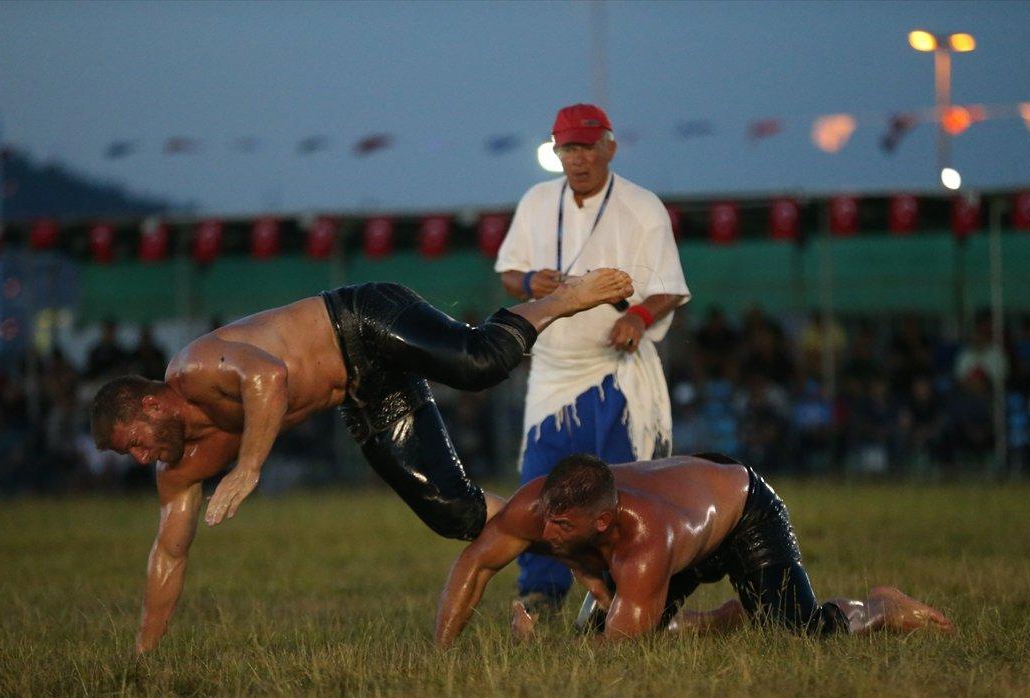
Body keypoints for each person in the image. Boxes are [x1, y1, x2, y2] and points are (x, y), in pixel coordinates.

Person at [90, 272, 633, 654]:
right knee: (455, 513)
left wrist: (247, 468)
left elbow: (268, 379)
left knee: (479, 362)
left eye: (132, 442)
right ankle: (582, 557)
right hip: (363, 392)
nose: (140, 457)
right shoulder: (179, 469)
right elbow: (169, 553)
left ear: (151, 403)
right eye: (129, 455)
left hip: (362, 318)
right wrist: (144, 654)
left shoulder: (192, 368)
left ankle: (565, 298)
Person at [434, 453, 954, 647]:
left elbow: (617, 653)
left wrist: (536, 650)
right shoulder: (542, 506)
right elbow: (474, 564)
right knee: (603, 620)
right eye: (545, 519)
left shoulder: (645, 545)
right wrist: (443, 653)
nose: (544, 533)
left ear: (603, 520)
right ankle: (724, 619)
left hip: (741, 509)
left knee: (796, 633)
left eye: (561, 526)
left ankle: (881, 607)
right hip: (689, 494)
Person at [495, 103, 690, 614]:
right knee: (540, 485)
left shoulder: (642, 206)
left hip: (615, 368)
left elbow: (669, 287)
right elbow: (509, 273)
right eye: (568, 148)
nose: (577, 158)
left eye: (586, 146)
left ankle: (626, 591)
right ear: (555, 151)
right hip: (553, 367)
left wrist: (638, 319)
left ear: (610, 147)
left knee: (619, 486)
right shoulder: (537, 201)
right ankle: (540, 591)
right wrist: (531, 281)